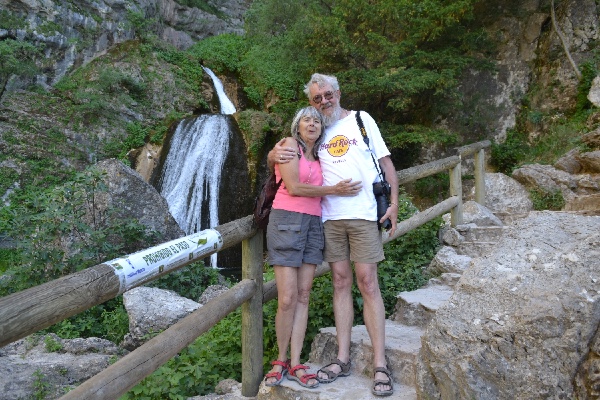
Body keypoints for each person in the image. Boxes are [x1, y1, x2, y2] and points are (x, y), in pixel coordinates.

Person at [268, 73, 399, 397]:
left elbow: (386, 163)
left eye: (327, 95)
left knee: (368, 282)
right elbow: (290, 158)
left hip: (364, 213)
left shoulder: (361, 120)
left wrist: (394, 204)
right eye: (317, 99)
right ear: (310, 106)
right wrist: (273, 154)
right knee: (340, 282)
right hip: (328, 219)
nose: (323, 101)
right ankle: (342, 358)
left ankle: (380, 363)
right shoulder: (317, 132)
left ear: (337, 92)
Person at [263, 106, 362, 389]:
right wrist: (334, 190)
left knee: (304, 295)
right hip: (287, 221)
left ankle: (296, 363)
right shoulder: (289, 146)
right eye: (307, 119)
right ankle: (280, 360)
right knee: (287, 298)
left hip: (313, 225)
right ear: (297, 125)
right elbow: (293, 187)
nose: (312, 123)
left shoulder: (320, 154)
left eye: (317, 120)